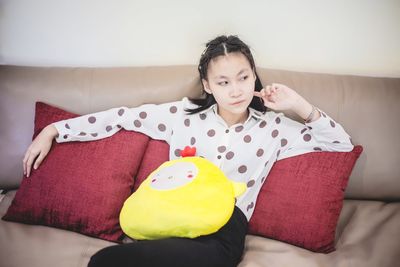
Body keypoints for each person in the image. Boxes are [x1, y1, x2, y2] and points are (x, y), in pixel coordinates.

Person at [22, 35, 354, 267]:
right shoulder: (181, 117)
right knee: (106, 262)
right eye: (223, 82)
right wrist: (55, 130)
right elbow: (121, 117)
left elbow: (340, 144)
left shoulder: (275, 128)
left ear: (254, 76)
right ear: (208, 86)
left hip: (225, 227)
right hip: (174, 215)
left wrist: (298, 105)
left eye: (243, 77)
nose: (236, 90)